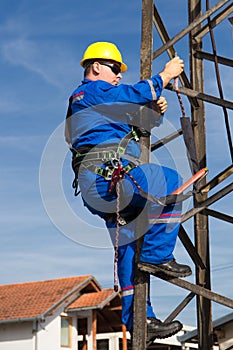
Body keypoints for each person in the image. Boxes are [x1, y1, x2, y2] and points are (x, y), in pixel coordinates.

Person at [65, 41, 192, 342]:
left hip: (105, 185)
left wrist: (153, 111)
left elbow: (136, 122)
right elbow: (132, 93)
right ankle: (158, 255)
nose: (119, 76)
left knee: (128, 248)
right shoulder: (89, 92)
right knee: (170, 181)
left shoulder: (101, 106)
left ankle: (140, 321)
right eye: (114, 69)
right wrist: (164, 75)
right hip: (104, 179)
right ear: (95, 67)